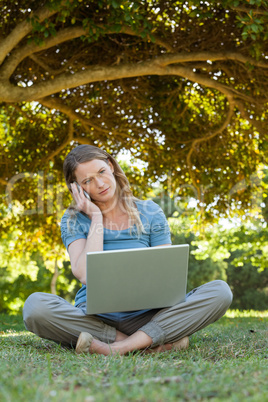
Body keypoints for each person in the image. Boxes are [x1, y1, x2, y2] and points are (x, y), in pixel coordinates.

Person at [23, 144, 233, 355]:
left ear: (111, 166)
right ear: (77, 188)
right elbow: (86, 275)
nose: (100, 183)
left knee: (220, 292)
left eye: (102, 172)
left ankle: (116, 348)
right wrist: (95, 216)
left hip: (147, 317)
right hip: (95, 319)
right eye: (87, 181)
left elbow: (167, 274)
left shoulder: (150, 212)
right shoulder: (73, 220)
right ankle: (144, 345)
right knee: (35, 307)